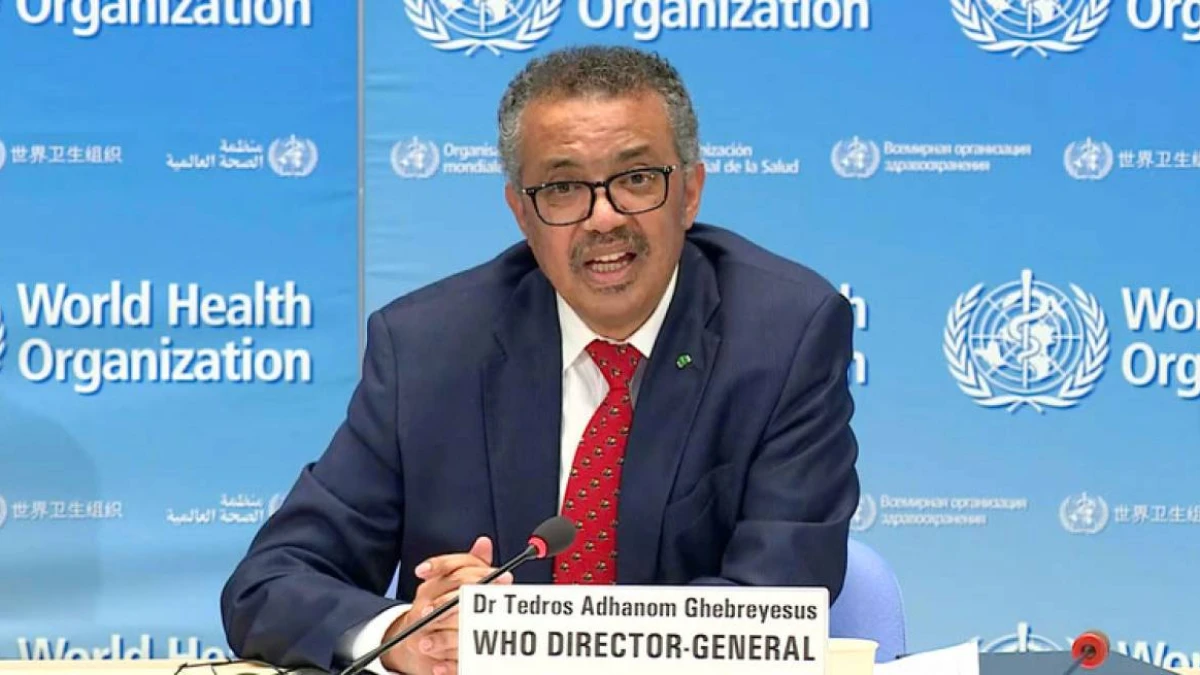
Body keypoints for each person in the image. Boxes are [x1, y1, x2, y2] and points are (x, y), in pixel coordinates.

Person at [220, 45, 860, 675]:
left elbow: (779, 598)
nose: (603, 218)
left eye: (637, 179)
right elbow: (270, 582)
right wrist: (405, 635)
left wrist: (530, 636)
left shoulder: (783, 336)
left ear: (690, 192)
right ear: (521, 212)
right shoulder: (427, 349)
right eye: (563, 188)